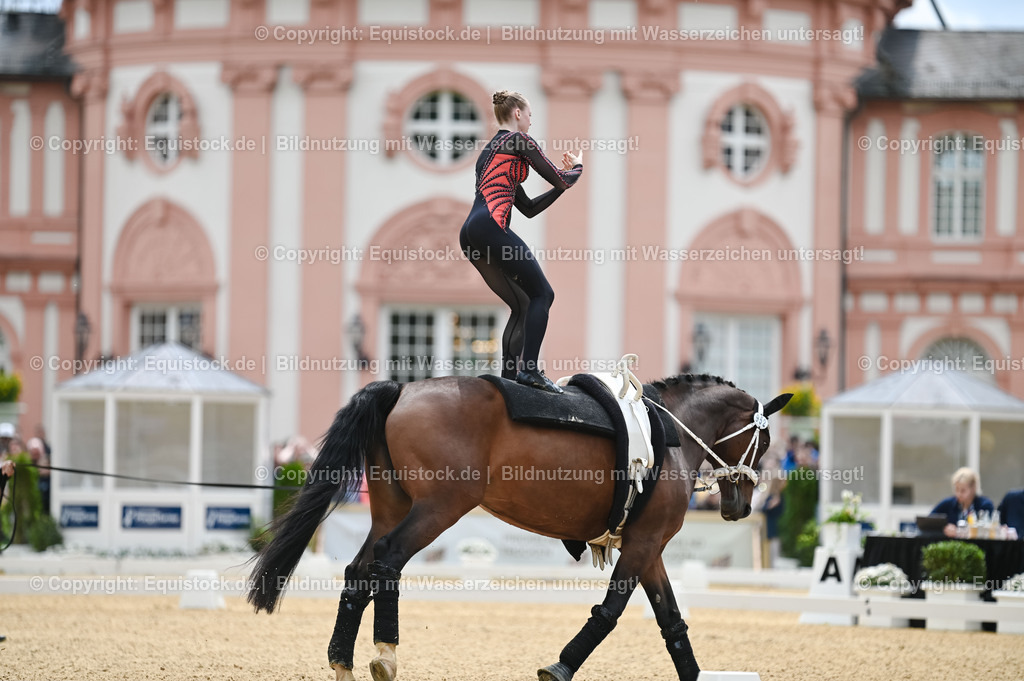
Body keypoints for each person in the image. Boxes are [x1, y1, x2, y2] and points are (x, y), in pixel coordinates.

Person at [460, 89, 583, 394]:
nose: (531, 121)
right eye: (529, 114)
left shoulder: (492, 151)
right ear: (517, 113)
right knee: (543, 294)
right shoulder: (519, 140)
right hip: (490, 226)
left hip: (471, 232)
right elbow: (560, 178)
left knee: (523, 304)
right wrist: (577, 169)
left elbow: (528, 208)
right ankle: (528, 370)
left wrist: (562, 185)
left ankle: (509, 379)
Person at [931, 467, 995, 538]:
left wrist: (958, 532)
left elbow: (987, 531)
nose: (958, 494)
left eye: (963, 491)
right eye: (956, 489)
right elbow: (928, 521)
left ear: (973, 489)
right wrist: (944, 528)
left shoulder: (985, 505)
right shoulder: (948, 504)